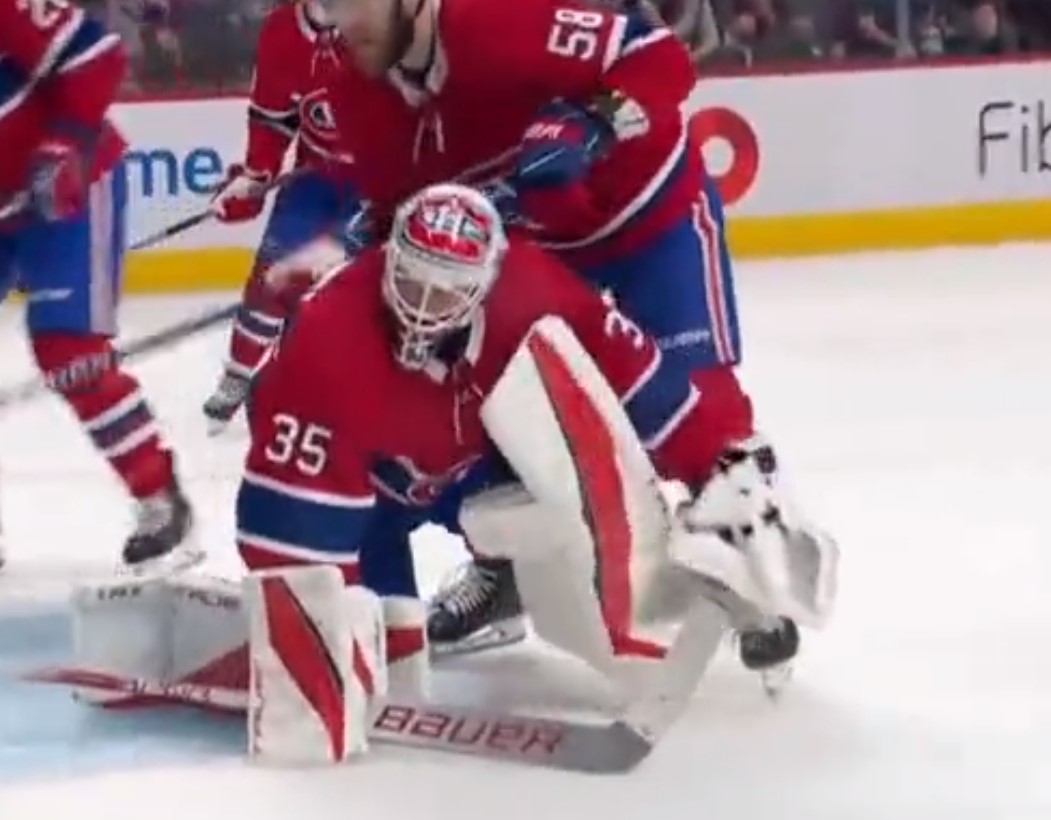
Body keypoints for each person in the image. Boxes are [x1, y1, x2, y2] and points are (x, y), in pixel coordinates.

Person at [237, 184, 811, 680]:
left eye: (447, 292)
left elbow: (645, 387)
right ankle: (391, 632)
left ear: (485, 284)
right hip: (369, 491)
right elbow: (292, 527)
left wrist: (713, 466)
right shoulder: (329, 336)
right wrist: (323, 624)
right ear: (389, 261)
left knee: (561, 501)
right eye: (411, 283)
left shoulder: (534, 287)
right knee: (386, 648)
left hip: (470, 463)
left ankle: (513, 581)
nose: (422, 309)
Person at [316, 0, 746, 653]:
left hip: (651, 222)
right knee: (487, 402)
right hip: (543, 254)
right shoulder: (355, 88)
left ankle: (749, 552)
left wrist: (594, 122)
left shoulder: (496, 23)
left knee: (689, 399)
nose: (342, 23)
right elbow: (407, 204)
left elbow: (660, 59)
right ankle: (506, 571)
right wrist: (379, 233)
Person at [0, 0, 194, 569]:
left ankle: (157, 494)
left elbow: (94, 54)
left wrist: (65, 144)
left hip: (67, 188)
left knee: (69, 347)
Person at [202, 0, 360, 432]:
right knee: (273, 274)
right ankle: (238, 374)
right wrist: (255, 177)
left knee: (360, 289)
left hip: (382, 177)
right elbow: (272, 119)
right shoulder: (281, 31)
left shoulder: (389, 17)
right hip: (317, 176)